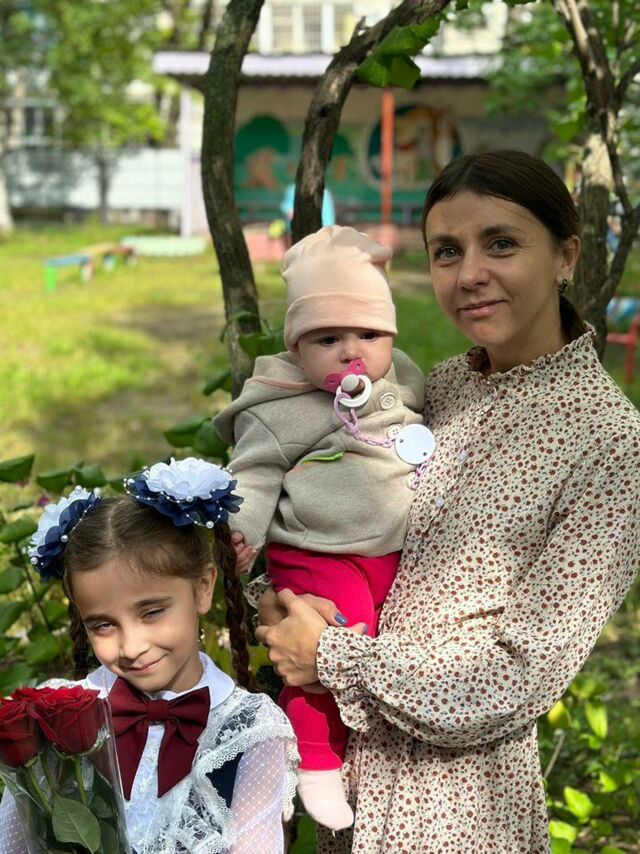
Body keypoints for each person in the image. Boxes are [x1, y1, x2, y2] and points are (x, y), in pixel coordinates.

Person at [253, 150, 640, 853]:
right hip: (352, 770)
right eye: (446, 251)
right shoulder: (439, 387)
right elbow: (325, 502)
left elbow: (517, 679)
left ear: (566, 256)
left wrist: (331, 657)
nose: (469, 275)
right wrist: (280, 598)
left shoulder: (610, 443)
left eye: (501, 243)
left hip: (457, 805)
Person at [214, 225, 433, 831]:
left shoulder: (403, 380)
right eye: (327, 338)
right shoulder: (281, 405)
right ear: (296, 346)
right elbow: (254, 472)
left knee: (374, 640)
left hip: (385, 552)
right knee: (332, 637)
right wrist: (242, 530)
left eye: (369, 334)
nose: (350, 351)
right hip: (317, 550)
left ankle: (339, 744)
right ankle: (313, 761)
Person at [0, 457, 298, 854]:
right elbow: (14, 843)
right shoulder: (53, 715)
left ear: (202, 588)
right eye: (103, 625)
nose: (132, 647)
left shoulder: (251, 729)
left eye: (152, 612)